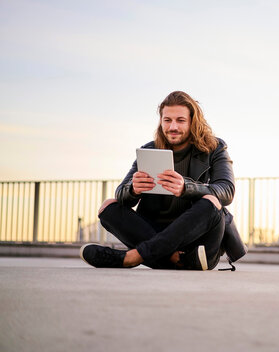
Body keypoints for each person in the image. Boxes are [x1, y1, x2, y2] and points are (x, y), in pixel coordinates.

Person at [80, 91, 247, 270]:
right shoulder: (149, 150)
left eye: (180, 120)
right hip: (156, 232)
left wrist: (187, 188)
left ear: (192, 121)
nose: (172, 127)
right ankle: (172, 257)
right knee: (108, 206)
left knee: (212, 202)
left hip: (198, 243)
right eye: (167, 120)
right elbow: (120, 193)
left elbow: (227, 190)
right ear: (161, 121)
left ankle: (131, 257)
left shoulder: (215, 148)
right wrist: (132, 190)